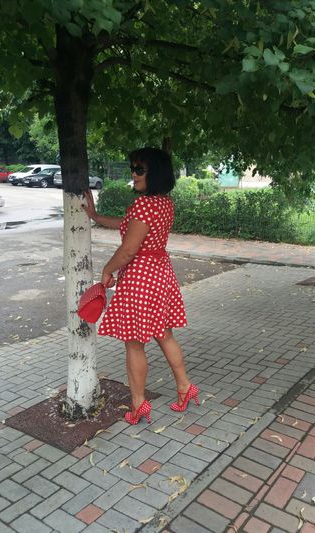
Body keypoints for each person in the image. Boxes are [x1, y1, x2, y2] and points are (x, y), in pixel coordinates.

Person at [82, 147, 199, 425]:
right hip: (160, 274)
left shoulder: (144, 205)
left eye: (139, 170)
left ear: (154, 173)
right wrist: (96, 217)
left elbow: (128, 250)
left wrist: (107, 270)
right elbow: (128, 225)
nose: (133, 175)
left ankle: (138, 404)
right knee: (165, 334)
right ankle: (185, 387)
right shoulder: (164, 203)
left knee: (134, 344)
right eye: (132, 169)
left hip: (140, 278)